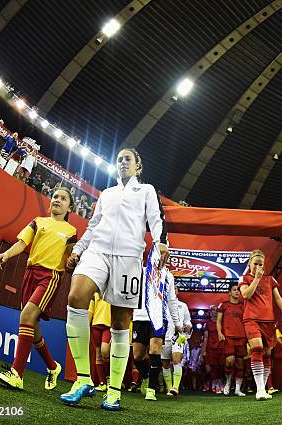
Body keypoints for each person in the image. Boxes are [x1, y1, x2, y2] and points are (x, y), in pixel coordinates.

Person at [59, 148, 169, 411]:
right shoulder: (106, 194)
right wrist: (77, 250)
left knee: (120, 324)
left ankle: (114, 391)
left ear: (137, 166)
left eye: (127, 159)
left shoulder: (146, 191)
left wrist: (161, 242)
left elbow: (157, 219)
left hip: (129, 258)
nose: (122, 162)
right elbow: (93, 226)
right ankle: (83, 380)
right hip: (97, 252)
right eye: (119, 159)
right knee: (76, 297)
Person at [0, 188, 76, 390]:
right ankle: (53, 366)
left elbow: (71, 259)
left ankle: (16, 374)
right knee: (33, 328)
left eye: (63, 198)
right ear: (50, 203)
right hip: (30, 274)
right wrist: (7, 255)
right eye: (55, 196)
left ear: (69, 207)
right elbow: (22, 243)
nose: (58, 200)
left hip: (50, 277)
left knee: (26, 316)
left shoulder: (71, 232)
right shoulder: (38, 221)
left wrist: (73, 263)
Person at [239, 250, 282, 400]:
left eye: (261, 264)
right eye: (255, 264)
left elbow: (279, 298)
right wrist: (256, 279)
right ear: (250, 263)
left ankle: (264, 388)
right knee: (257, 349)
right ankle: (260, 389)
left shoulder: (270, 279)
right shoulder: (244, 278)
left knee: (267, 354)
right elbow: (246, 295)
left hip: (269, 320)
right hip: (251, 319)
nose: (258, 266)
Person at [132, 266, 180, 401]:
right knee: (137, 356)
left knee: (154, 350)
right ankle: (146, 377)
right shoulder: (141, 270)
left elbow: (171, 300)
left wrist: (177, 323)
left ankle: (151, 389)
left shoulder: (168, 275)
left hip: (159, 318)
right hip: (139, 317)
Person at [160, 285, 191, 398]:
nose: (173, 291)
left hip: (178, 336)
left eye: (175, 289)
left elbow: (188, 320)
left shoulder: (183, 306)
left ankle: (175, 387)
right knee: (165, 363)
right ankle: (169, 388)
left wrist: (188, 326)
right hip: (164, 337)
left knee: (177, 360)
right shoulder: (160, 305)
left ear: (177, 292)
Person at [217, 283, 247, 396]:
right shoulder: (223, 305)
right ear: (229, 292)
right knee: (229, 361)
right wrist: (220, 333)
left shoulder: (243, 305)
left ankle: (238, 389)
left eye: (238, 290)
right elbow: (218, 321)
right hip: (228, 337)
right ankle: (228, 383)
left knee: (240, 364)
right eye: (234, 290)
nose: (237, 292)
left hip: (241, 337)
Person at [88, 293, 111, 391]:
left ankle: (110, 379)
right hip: (96, 325)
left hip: (109, 325)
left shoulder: (113, 292)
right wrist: (85, 326)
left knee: (105, 351)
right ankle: (103, 383)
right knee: (98, 354)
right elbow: (90, 310)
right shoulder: (95, 293)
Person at [202, 305, 224, 393]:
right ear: (210, 312)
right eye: (213, 310)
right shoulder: (207, 323)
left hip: (221, 347)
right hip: (211, 348)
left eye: (216, 310)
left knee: (222, 366)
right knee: (212, 368)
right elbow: (206, 338)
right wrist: (203, 351)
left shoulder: (222, 322)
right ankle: (215, 384)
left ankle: (221, 383)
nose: (215, 312)